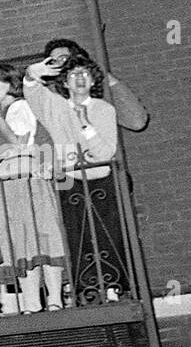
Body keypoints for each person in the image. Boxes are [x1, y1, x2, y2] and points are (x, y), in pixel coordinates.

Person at [23, 54, 123, 304]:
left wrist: (86, 125)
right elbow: (35, 96)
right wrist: (30, 74)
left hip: (99, 180)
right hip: (71, 181)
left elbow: (105, 152)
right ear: (65, 82)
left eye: (85, 74)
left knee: (106, 233)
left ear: (92, 81)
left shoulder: (103, 109)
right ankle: (86, 289)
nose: (80, 78)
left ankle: (112, 286)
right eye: (73, 75)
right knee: (76, 235)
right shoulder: (58, 107)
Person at [0, 64, 66, 313]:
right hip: (5, 184)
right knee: (18, 242)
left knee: (43, 236)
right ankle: (31, 302)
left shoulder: (20, 106)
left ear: (10, 83)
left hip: (26, 178)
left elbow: (21, 143)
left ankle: (55, 298)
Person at [42, 37, 148, 132]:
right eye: (53, 62)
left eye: (63, 58)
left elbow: (136, 122)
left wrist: (104, 77)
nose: (59, 65)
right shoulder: (50, 94)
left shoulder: (99, 91)